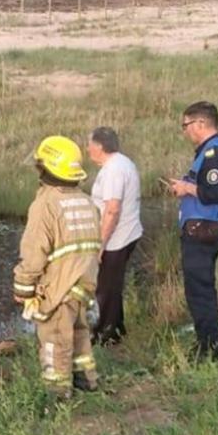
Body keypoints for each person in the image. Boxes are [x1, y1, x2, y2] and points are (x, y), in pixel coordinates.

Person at [13, 135, 101, 400]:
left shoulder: (46, 205)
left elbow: (33, 253)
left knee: (54, 339)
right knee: (79, 332)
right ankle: (87, 379)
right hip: (84, 282)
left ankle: (58, 392)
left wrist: (24, 289)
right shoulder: (85, 201)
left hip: (59, 286)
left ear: (47, 169)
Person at [167, 101, 218, 362]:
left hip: (204, 228)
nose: (185, 131)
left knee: (200, 291)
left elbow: (215, 193)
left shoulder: (215, 153)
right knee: (200, 289)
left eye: (185, 125)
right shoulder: (211, 151)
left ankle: (209, 350)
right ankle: (206, 343)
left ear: (200, 124)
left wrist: (187, 189)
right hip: (204, 227)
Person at [88, 127, 143, 345]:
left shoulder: (113, 170)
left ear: (100, 146)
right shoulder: (122, 163)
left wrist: (100, 245)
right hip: (126, 235)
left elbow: (112, 210)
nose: (87, 149)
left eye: (90, 144)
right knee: (113, 285)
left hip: (117, 240)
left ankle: (105, 336)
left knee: (105, 288)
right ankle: (117, 328)